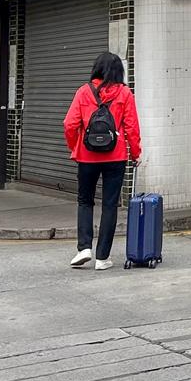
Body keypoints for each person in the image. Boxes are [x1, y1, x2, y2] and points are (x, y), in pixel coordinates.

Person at [62, 52, 142, 270]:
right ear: (119, 71)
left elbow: (69, 124)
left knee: (85, 201)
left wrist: (75, 147)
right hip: (115, 156)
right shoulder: (125, 93)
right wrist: (135, 154)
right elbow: (132, 128)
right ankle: (102, 258)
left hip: (86, 156)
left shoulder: (83, 92)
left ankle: (84, 248)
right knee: (109, 205)